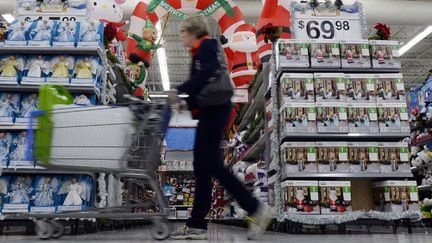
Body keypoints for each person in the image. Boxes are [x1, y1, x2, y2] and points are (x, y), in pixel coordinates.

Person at [169, 16, 272, 240]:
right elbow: (202, 85)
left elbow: (208, 73)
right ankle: (197, 224)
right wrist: (185, 102)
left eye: (183, 32)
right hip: (209, 111)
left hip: (215, 111)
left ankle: (255, 208)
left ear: (193, 32)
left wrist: (180, 89)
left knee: (211, 165)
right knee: (202, 168)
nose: (181, 36)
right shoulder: (197, 51)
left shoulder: (206, 45)